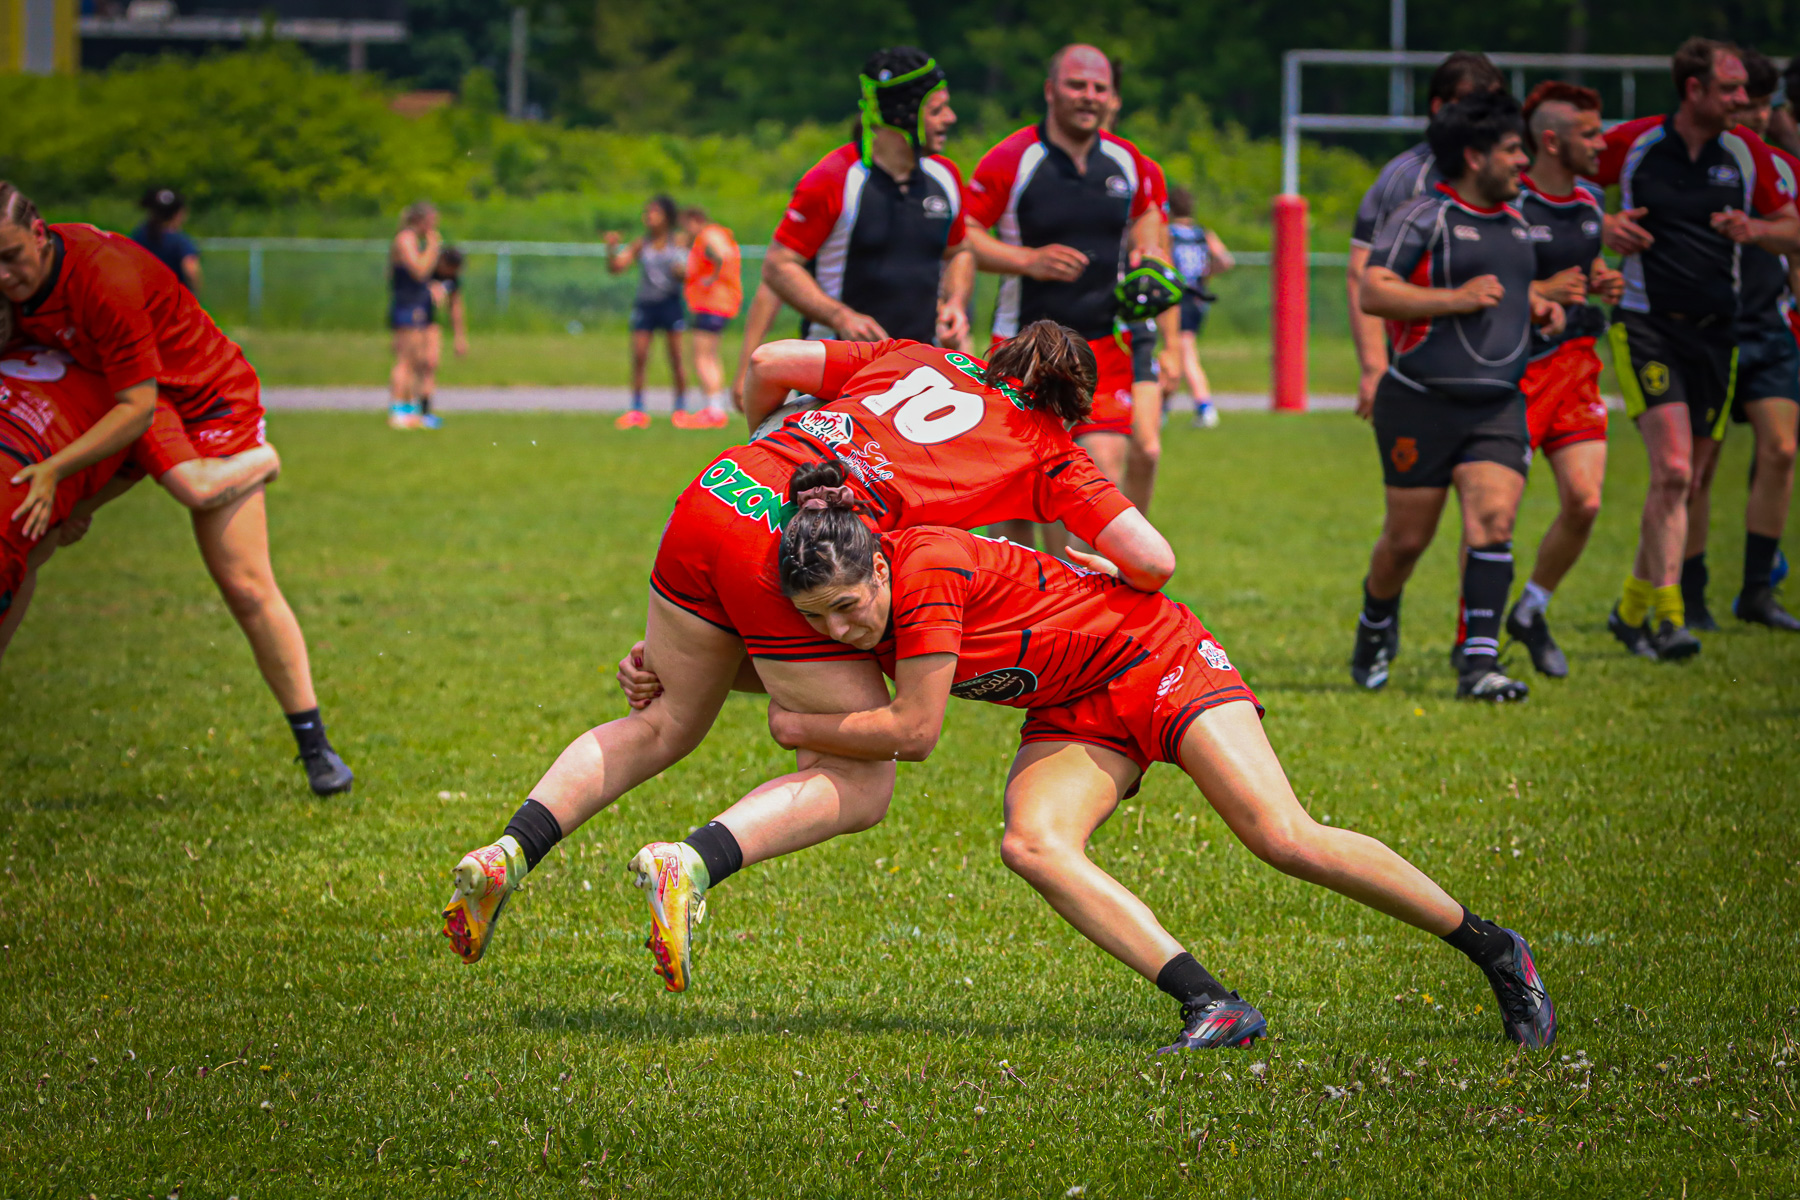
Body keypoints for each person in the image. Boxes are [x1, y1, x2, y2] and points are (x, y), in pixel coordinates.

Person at [441, 323, 1177, 980]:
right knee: (858, 784)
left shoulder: (919, 354)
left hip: (719, 489)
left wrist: (762, 431)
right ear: (1070, 407)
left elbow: (768, 358)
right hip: (801, 545)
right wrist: (1114, 569)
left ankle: (507, 851)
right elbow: (1154, 560)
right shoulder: (1047, 447)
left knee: (661, 719)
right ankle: (690, 864)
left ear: (996, 354)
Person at [738, 478, 1557, 1051]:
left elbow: (914, 731)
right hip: (1073, 706)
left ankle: (1495, 951)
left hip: (1155, 656)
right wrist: (680, 671)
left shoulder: (926, 573)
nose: (839, 630)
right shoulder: (847, 596)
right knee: (1032, 843)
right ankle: (1212, 1004)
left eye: (848, 608)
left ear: (878, 566)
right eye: (818, 617)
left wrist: (790, 723)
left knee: (1282, 836)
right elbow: (781, 658)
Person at [0, 181, 355, 795]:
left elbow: (137, 413)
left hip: (203, 397)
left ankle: (316, 747)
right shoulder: (19, 292)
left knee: (240, 574)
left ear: (39, 233)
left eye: (10, 256)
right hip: (129, 394)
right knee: (35, 535)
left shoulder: (101, 276)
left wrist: (59, 471)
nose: (5, 275)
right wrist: (75, 503)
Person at [1349, 92, 1567, 702]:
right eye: (1511, 150)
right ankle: (1375, 625)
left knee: (1493, 522)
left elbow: (1510, 294)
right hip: (1418, 400)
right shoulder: (1425, 216)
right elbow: (1375, 290)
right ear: (1474, 156)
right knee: (1406, 542)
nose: (1523, 161)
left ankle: (1480, 664)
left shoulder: (1522, 220)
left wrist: (1540, 306)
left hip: (1498, 403)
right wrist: (1457, 300)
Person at [1590, 38, 1800, 659]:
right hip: (1646, 324)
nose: (1745, 101)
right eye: (1731, 90)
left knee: (1692, 475)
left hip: (1720, 332)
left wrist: (1757, 230)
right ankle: (1670, 617)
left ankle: (1631, 608)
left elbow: (1795, 227)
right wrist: (1601, 226)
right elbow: (1544, 182)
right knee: (1676, 469)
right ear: (1694, 90)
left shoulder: (1748, 152)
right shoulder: (1634, 144)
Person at [964, 44, 1166, 543]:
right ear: (1052, 90)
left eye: (1099, 88)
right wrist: (1026, 260)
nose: (1089, 96)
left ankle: (1087, 601)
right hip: (1022, 350)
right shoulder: (1013, 159)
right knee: (1016, 495)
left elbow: (1149, 218)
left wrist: (1150, 259)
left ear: (1112, 97)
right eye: (1078, 85)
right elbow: (962, 233)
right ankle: (1010, 597)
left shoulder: (1128, 161)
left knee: (1102, 476)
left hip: (1103, 346)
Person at [732, 45, 974, 412]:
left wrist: (955, 301)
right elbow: (779, 266)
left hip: (919, 377)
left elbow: (960, 251)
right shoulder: (834, 178)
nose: (951, 118)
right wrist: (840, 317)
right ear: (903, 114)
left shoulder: (946, 176)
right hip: (835, 377)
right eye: (937, 110)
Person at [1498, 83, 1627, 677]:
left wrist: (1603, 281)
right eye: (1590, 134)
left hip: (1577, 365)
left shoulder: (1588, 203)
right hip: (1518, 373)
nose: (1602, 145)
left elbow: (1586, 261)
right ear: (1551, 141)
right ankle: (1472, 640)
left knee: (1586, 500)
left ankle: (1531, 609)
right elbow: (1487, 284)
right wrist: (1538, 295)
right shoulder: (1511, 203)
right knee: (1495, 518)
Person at [1678, 48, 1800, 632]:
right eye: (1742, 104)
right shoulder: (1696, 160)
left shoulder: (1779, 169)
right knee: (1700, 469)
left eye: (1761, 106)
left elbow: (1795, 242)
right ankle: (1691, 591)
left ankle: (1756, 588)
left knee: (1780, 450)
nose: (1751, 116)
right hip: (1712, 330)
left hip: (1767, 325)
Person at [1348, 53, 1508, 423]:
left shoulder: (1512, 174)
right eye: (1473, 103)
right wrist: (1374, 367)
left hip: (1504, 369)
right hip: (1420, 370)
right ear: (1440, 107)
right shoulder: (1405, 179)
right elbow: (1361, 273)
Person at [606, 195, 690, 429]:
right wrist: (612, 250)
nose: (649, 217)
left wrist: (681, 270)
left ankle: (681, 408)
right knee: (640, 357)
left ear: (666, 217)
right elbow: (616, 268)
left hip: (670, 304)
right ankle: (637, 409)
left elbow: (687, 273)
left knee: (675, 358)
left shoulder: (678, 242)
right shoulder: (641, 244)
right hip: (646, 304)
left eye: (654, 212)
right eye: (647, 212)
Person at [1165, 185, 1235, 429]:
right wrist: (1205, 275)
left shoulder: (1169, 234)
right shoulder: (1202, 233)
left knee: (1183, 352)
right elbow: (1226, 260)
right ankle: (1164, 406)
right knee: (1177, 351)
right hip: (1198, 298)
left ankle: (1204, 406)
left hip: (1176, 298)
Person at [680, 206, 742, 429]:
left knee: (702, 355)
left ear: (694, 220)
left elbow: (719, 256)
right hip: (722, 303)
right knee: (711, 355)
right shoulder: (719, 233)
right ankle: (715, 407)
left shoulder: (708, 235)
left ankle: (714, 409)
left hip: (711, 302)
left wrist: (711, 277)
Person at [387, 201, 441, 431]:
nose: (434, 227)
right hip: (407, 306)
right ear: (422, 220)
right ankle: (397, 411)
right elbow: (419, 270)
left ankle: (409, 411)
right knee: (405, 361)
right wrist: (433, 247)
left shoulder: (412, 239)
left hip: (415, 305)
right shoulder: (406, 238)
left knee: (417, 359)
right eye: (432, 221)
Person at [411, 246, 468, 431]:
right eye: (451, 268)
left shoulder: (452, 278)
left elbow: (455, 306)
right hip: (411, 321)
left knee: (431, 363)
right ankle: (406, 409)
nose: (452, 273)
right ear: (442, 261)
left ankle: (425, 412)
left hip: (430, 322)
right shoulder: (426, 269)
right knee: (413, 365)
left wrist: (460, 337)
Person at [129, 187, 201, 295]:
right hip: (173, 301)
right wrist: (195, 293)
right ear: (178, 214)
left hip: (144, 298)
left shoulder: (139, 236)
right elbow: (190, 269)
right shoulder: (179, 241)